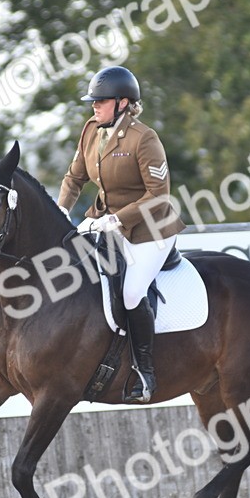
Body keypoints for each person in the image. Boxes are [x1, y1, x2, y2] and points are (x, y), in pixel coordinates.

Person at [57, 66, 186, 404]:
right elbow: (74, 179)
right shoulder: (91, 131)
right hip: (103, 220)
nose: (94, 107)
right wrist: (61, 210)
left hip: (150, 229)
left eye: (100, 101)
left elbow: (159, 194)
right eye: (93, 102)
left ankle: (145, 371)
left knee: (131, 293)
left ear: (123, 102)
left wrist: (116, 220)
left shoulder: (144, 138)